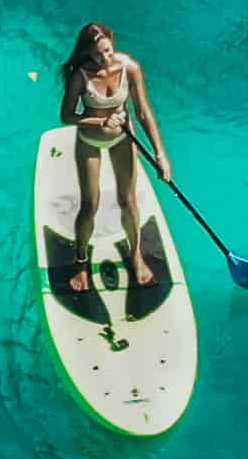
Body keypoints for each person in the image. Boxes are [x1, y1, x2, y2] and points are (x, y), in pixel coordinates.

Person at [58, 21, 173, 331]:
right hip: (90, 141)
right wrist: (100, 121)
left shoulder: (130, 67)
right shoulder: (81, 75)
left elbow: (144, 112)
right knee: (90, 205)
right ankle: (81, 263)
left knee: (128, 200)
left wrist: (161, 155)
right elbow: (67, 115)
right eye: (96, 56)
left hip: (124, 138)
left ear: (113, 43)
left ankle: (135, 257)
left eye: (107, 52)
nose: (103, 61)